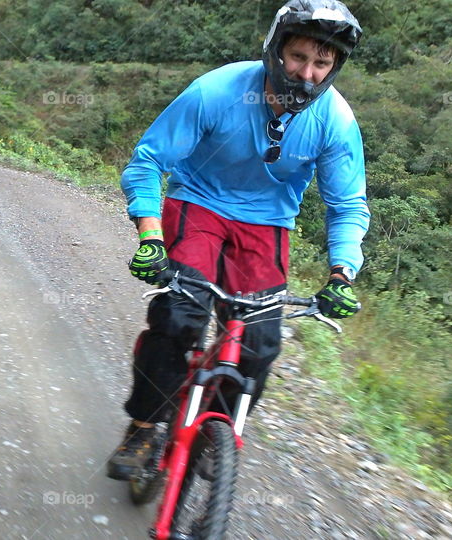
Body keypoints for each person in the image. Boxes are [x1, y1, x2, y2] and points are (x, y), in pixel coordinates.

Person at [107, 0, 368, 481]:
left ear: (334, 67)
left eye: (322, 63)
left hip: (267, 224)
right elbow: (147, 162)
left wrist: (342, 274)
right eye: (298, 57)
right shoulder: (217, 90)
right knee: (178, 316)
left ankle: (215, 430)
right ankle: (144, 425)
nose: (308, 74)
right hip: (199, 204)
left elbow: (347, 205)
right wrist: (150, 239)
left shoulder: (335, 120)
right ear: (275, 50)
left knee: (259, 345)